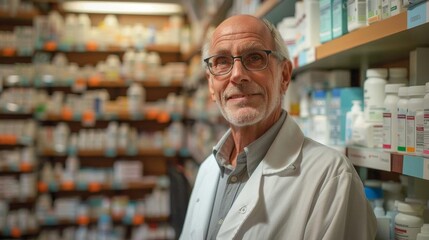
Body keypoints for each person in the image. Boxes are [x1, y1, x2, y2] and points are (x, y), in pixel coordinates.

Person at [180, 14, 377, 240]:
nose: (237, 75)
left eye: (254, 57)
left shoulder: (332, 177)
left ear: (284, 76)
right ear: (211, 86)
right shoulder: (208, 169)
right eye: (222, 61)